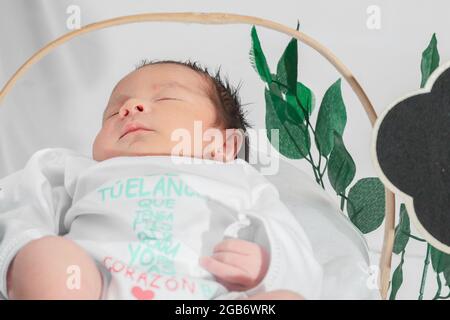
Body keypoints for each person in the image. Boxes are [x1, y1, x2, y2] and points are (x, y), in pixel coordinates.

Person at [0, 60, 322, 300]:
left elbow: (297, 250)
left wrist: (267, 266)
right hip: (94, 287)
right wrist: (24, 255)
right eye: (113, 112)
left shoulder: (242, 180)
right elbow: (19, 203)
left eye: (166, 98)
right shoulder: (78, 169)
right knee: (45, 258)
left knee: (284, 300)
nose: (129, 107)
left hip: (206, 298)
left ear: (222, 145)